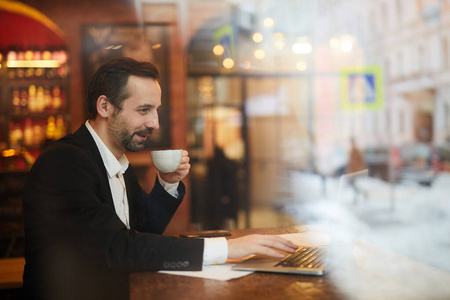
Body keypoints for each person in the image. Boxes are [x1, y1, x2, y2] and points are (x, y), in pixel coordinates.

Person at [22, 57, 297, 300]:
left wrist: (167, 182)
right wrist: (227, 248)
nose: (155, 123)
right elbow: (118, 247)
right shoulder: (65, 163)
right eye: (144, 110)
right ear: (105, 106)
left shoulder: (116, 160)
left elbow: (145, 229)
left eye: (156, 110)